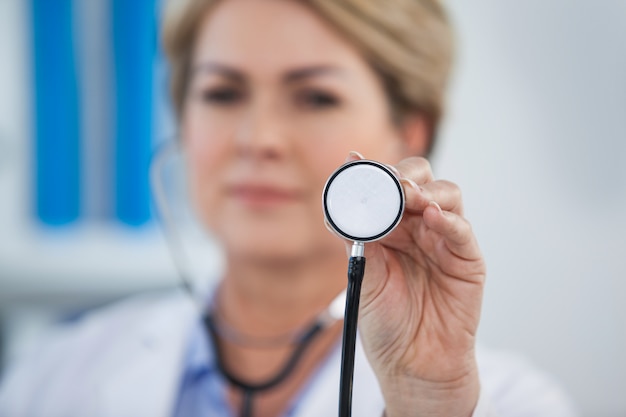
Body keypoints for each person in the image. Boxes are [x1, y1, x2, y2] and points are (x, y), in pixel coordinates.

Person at [0, 0, 578, 416]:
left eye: (315, 96)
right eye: (222, 93)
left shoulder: (511, 403)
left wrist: (421, 404)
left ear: (411, 131)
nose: (259, 138)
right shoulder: (53, 377)